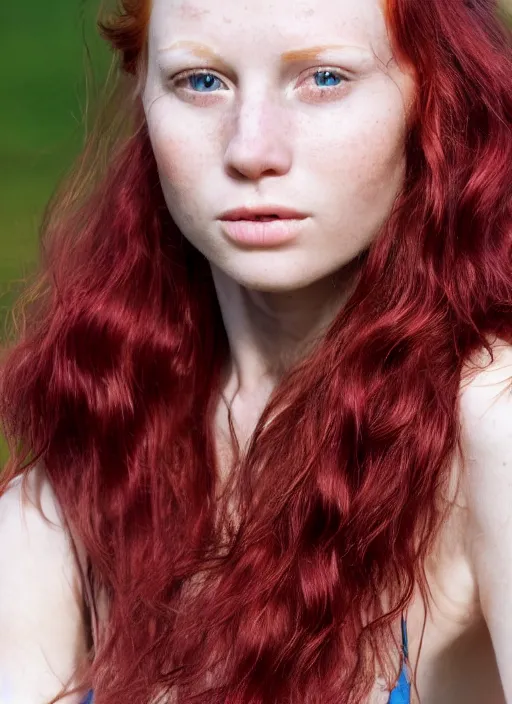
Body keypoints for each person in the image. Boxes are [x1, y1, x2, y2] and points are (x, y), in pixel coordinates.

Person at [0, 0, 511, 701]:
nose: (251, 150)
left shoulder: (490, 423)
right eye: (201, 82)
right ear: (143, 99)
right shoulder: (76, 484)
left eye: (324, 78)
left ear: (436, 97)